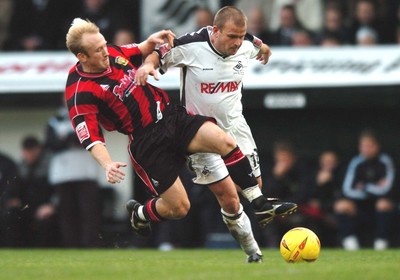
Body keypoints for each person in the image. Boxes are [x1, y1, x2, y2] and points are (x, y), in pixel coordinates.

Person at [64, 17, 296, 262]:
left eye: (104, 44)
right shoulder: (80, 92)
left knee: (225, 142)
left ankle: (259, 204)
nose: (105, 51)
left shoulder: (110, 52)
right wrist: (107, 164)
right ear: (82, 57)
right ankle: (141, 213)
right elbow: (90, 137)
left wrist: (151, 42)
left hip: (171, 118)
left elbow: (138, 50)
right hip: (146, 142)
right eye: (98, 49)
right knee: (179, 208)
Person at [135, 6, 297, 260]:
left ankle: (258, 205)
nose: (237, 42)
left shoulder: (245, 44)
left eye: (241, 36)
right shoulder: (191, 45)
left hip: (236, 127)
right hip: (199, 133)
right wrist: (146, 67)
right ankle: (254, 251)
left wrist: (263, 48)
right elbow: (158, 54)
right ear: (216, 30)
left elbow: (255, 43)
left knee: (250, 188)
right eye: (232, 36)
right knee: (230, 200)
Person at [46, 103, 103, 248]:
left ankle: (90, 244)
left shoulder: (89, 117)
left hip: (87, 173)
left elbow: (97, 137)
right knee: (67, 212)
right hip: (63, 174)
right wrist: (71, 139)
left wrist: (69, 139)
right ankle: (71, 244)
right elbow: (50, 143)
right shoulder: (54, 121)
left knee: (89, 212)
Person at [334, 129, 396, 250]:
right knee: (341, 205)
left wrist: (365, 186)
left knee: (383, 204)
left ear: (377, 146)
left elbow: (386, 190)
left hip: (379, 208)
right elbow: (347, 190)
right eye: (363, 146)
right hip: (360, 207)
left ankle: (381, 243)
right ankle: (350, 244)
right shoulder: (356, 162)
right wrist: (372, 188)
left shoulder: (386, 161)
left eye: (369, 146)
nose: (366, 149)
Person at [16, 136, 59, 247]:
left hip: (47, 207)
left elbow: (59, 190)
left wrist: (52, 206)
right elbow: (16, 189)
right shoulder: (21, 168)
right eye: (26, 152)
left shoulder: (51, 165)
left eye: (32, 151)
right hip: (28, 207)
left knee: (46, 224)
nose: (29, 155)